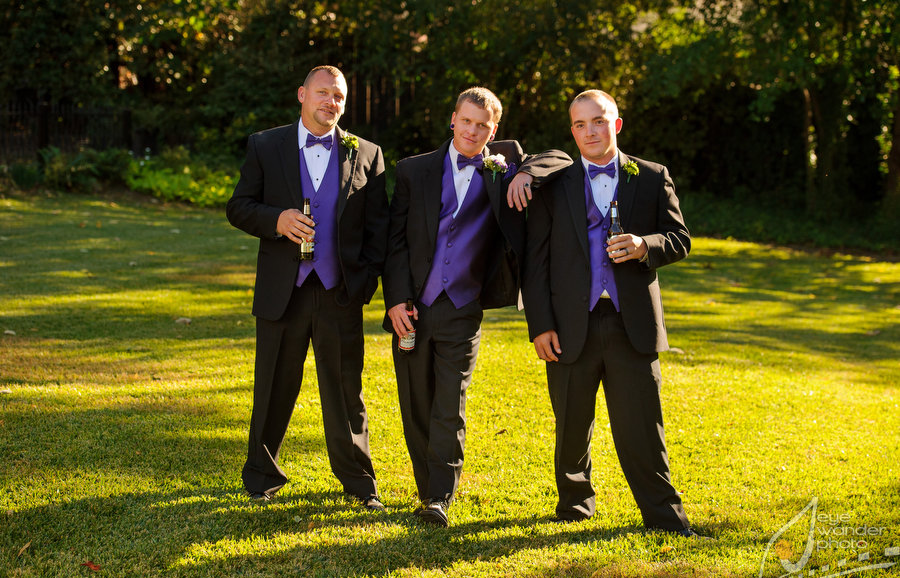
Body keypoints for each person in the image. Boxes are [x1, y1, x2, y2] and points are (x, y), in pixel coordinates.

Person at [382, 86, 572, 527]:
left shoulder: (502, 170)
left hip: (464, 306)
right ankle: (425, 482)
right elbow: (394, 243)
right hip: (412, 307)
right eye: (466, 121)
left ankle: (437, 498)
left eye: (482, 125)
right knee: (416, 402)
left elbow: (561, 158)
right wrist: (394, 299)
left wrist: (525, 174)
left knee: (450, 401)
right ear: (452, 119)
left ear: (494, 130)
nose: (472, 131)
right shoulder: (415, 170)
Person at [522, 89, 696, 535]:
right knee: (571, 423)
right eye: (579, 125)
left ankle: (664, 516)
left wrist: (645, 246)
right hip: (569, 324)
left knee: (642, 427)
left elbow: (679, 238)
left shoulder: (652, 177)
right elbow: (535, 262)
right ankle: (574, 506)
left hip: (630, 323)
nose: (589, 132)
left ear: (616, 124)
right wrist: (540, 326)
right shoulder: (555, 184)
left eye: (597, 121)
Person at [226, 65, 389, 510]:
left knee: (344, 391)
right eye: (322, 93)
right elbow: (238, 206)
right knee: (274, 386)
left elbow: (379, 229)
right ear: (302, 94)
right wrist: (275, 220)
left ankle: (359, 483)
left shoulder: (367, 153)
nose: (330, 102)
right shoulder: (266, 145)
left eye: (338, 96)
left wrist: (362, 287)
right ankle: (261, 477)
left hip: (339, 293)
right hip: (284, 291)